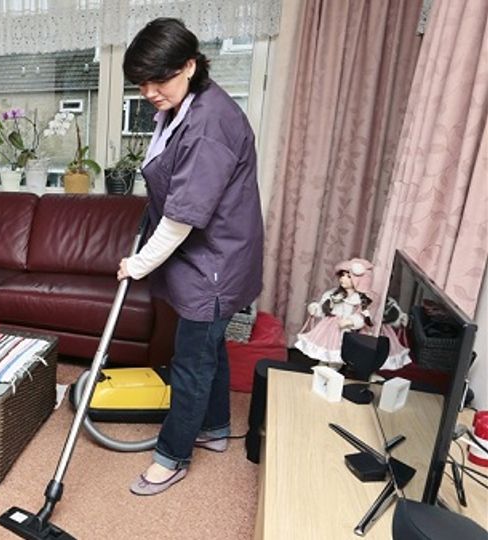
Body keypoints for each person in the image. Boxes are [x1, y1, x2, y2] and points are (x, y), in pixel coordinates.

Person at [117, 18, 264, 496]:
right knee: (208, 349)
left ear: (189, 65)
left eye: (158, 79)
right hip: (205, 256)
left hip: (216, 261)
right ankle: (216, 428)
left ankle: (172, 456)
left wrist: (138, 264)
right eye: (141, 82)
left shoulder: (208, 123)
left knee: (191, 361)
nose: (148, 92)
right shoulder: (181, 107)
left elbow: (182, 217)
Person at [295, 258, 410, 370]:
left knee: (339, 348)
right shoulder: (334, 294)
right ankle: (322, 363)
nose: (343, 279)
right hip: (330, 327)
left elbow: (362, 316)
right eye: (342, 275)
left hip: (345, 328)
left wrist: (351, 321)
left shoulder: (361, 299)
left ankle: (334, 367)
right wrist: (316, 308)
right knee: (325, 345)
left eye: (348, 277)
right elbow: (324, 306)